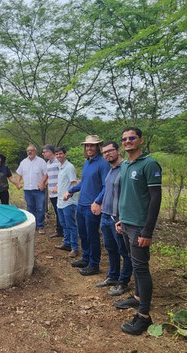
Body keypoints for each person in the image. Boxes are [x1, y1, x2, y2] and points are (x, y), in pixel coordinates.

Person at [113, 127, 162, 335]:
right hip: (126, 223)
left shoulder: (149, 164)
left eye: (131, 138)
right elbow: (126, 194)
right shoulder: (125, 164)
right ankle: (138, 297)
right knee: (133, 263)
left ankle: (144, 317)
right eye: (124, 139)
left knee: (141, 269)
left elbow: (155, 198)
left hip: (140, 226)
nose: (127, 141)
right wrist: (121, 219)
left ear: (140, 140)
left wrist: (147, 232)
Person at [63, 135, 109, 276]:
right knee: (83, 234)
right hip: (81, 204)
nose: (89, 148)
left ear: (98, 147)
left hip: (92, 206)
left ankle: (94, 265)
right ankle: (85, 258)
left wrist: (98, 201)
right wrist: (70, 191)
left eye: (92, 145)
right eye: (87, 145)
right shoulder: (87, 163)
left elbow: (106, 186)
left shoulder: (103, 163)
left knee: (92, 235)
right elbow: (83, 183)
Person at [95, 141, 133, 297]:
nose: (107, 154)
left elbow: (130, 196)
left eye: (110, 151)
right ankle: (113, 275)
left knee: (124, 251)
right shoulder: (110, 170)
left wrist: (124, 218)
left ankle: (123, 281)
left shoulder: (125, 169)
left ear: (118, 150)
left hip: (118, 218)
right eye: (104, 152)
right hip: (106, 215)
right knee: (111, 248)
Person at [52, 147, 79, 258]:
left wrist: (69, 194)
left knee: (71, 225)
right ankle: (67, 243)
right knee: (64, 224)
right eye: (57, 154)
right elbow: (63, 182)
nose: (59, 156)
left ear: (65, 154)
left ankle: (74, 248)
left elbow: (74, 184)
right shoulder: (60, 166)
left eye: (60, 154)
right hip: (60, 201)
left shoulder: (69, 167)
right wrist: (57, 187)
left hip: (69, 202)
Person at [16, 144, 48, 234]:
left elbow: (46, 174)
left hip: (39, 190)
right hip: (27, 190)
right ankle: (32, 226)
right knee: (30, 208)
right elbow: (19, 174)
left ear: (35, 151)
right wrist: (18, 183)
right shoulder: (23, 162)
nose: (29, 152)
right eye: (28, 151)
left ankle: (40, 226)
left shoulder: (41, 161)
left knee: (40, 208)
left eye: (31, 150)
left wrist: (43, 184)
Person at [42, 144, 64, 238]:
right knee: (57, 211)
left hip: (59, 192)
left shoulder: (58, 162)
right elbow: (49, 176)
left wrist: (58, 186)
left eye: (45, 152)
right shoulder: (48, 163)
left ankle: (62, 231)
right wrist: (44, 183)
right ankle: (59, 230)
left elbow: (62, 175)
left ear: (50, 152)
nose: (43, 154)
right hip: (51, 192)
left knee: (60, 212)